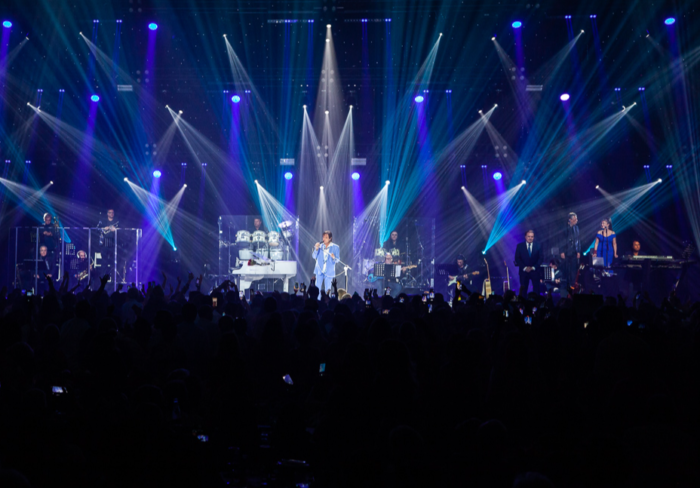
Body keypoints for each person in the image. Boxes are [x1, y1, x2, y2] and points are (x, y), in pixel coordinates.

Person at [514, 230, 543, 297]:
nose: (530, 238)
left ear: (534, 237)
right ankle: (523, 306)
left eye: (532, 236)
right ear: (525, 237)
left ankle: (536, 305)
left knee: (536, 291)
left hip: (535, 271)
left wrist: (533, 267)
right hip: (524, 272)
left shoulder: (538, 245)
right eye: (529, 236)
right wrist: (524, 268)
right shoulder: (520, 246)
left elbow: (541, 258)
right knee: (523, 291)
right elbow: (517, 258)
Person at [313, 230, 339, 295]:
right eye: (323, 237)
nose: (324, 239)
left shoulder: (336, 247)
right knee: (317, 289)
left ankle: (327, 302)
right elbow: (314, 256)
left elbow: (338, 260)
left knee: (328, 289)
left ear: (330, 238)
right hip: (319, 270)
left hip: (329, 271)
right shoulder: (320, 246)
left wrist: (334, 258)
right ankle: (317, 301)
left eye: (326, 237)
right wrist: (316, 249)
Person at [560, 212, 581, 290]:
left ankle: (573, 285)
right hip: (566, 252)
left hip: (574, 252)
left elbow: (578, 240)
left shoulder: (577, 228)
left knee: (573, 269)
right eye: (575, 219)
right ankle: (565, 285)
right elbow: (561, 240)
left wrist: (578, 251)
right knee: (566, 269)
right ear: (570, 220)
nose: (577, 220)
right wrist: (561, 251)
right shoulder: (564, 228)